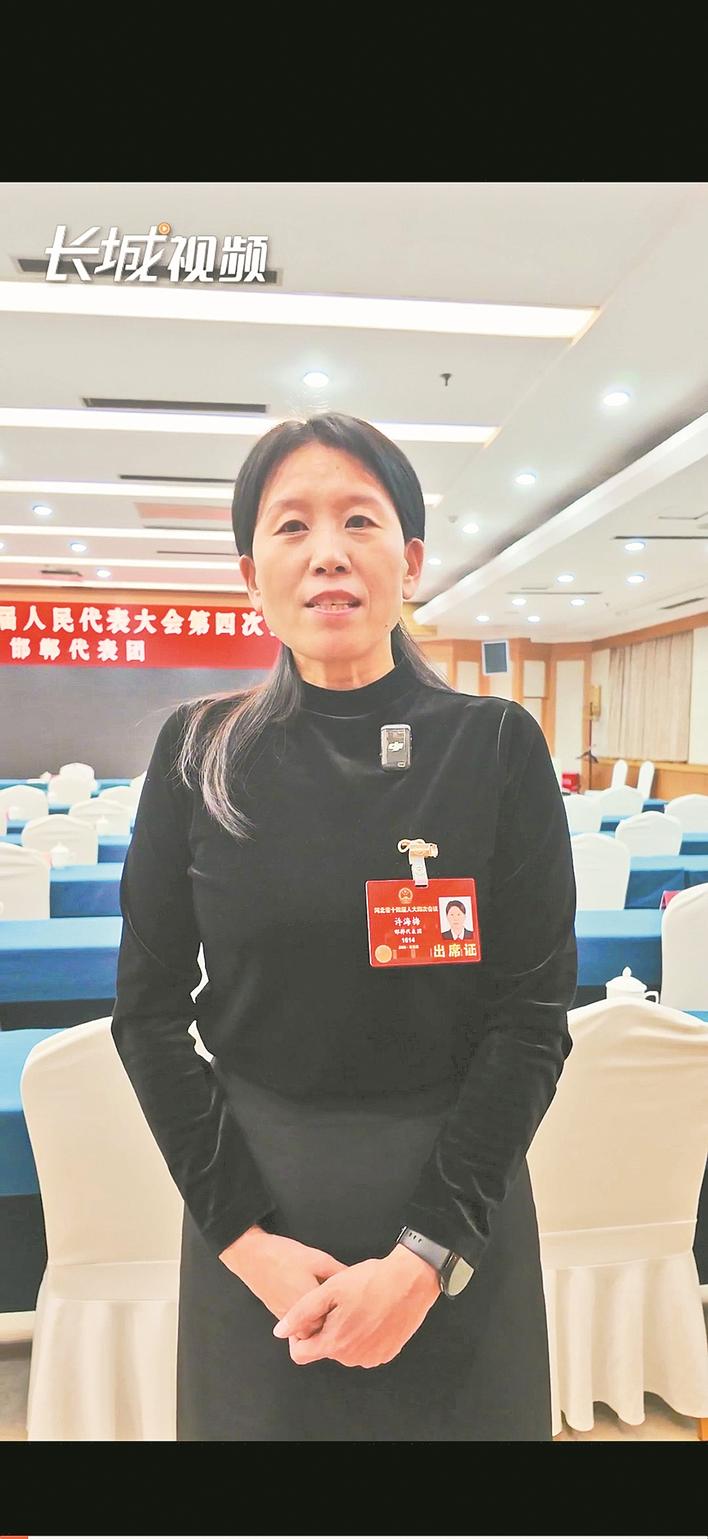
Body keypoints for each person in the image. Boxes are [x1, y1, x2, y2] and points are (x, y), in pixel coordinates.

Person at [110, 411, 578, 1442]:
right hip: (258, 1215)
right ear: (252, 576)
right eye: (292, 526)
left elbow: (532, 1019)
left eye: (360, 520)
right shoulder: (198, 754)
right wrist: (247, 1242)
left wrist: (424, 1258)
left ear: (409, 560)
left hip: (456, 1210)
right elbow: (145, 1016)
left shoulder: (495, 747)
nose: (328, 551)